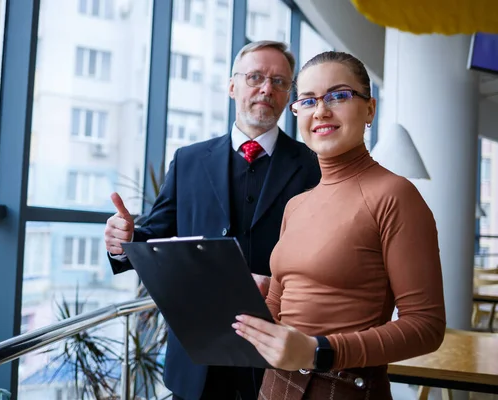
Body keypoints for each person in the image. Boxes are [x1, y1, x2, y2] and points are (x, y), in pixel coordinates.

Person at [104, 40, 321, 400]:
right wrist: (123, 243)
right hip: (196, 354)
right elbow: (155, 237)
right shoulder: (188, 160)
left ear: (289, 97)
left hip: (275, 352)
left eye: (280, 82)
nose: (267, 88)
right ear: (232, 86)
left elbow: (322, 259)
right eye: (255, 77)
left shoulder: (312, 166)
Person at [232, 50, 446, 400]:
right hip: (274, 388)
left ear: (370, 110)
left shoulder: (395, 196)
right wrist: (248, 298)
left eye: (339, 96)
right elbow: (281, 309)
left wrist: (320, 351)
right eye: (308, 100)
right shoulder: (296, 205)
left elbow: (426, 327)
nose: (321, 111)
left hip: (344, 389)